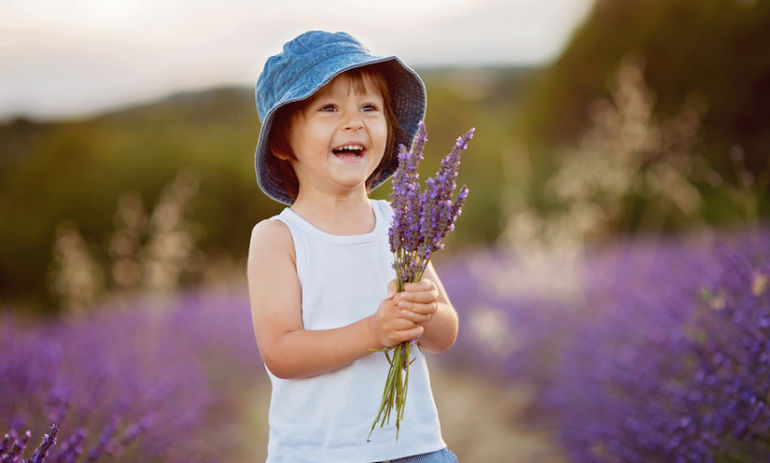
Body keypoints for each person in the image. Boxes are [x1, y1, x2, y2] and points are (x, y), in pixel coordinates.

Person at [247, 30, 460, 463]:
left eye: (369, 108)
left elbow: (444, 335)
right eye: (329, 108)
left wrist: (426, 310)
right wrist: (373, 333)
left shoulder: (401, 223)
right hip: (319, 453)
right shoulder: (279, 238)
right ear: (283, 143)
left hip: (416, 448)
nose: (355, 122)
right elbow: (282, 353)